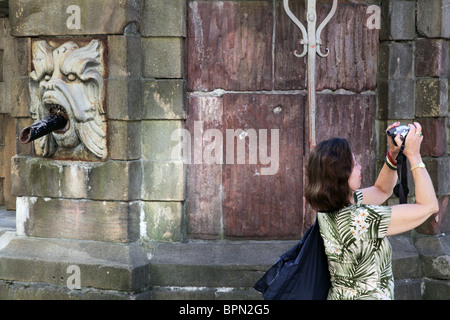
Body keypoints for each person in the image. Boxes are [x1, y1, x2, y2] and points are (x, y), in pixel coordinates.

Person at [305, 122, 439, 300]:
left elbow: (381, 191)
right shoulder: (362, 219)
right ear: (340, 176)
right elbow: (429, 207)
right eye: (354, 164)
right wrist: (414, 156)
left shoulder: (329, 208)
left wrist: (393, 155)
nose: (360, 166)